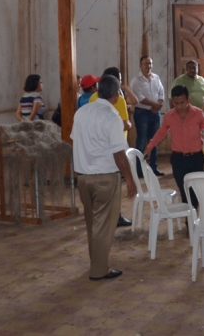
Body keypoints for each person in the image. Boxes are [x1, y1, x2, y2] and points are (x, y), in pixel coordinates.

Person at [71, 74, 136, 281]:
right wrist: (130, 179)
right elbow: (119, 153)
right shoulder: (112, 117)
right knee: (103, 227)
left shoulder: (81, 113)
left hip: (83, 178)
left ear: (98, 91)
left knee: (92, 224)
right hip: (105, 178)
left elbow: (75, 140)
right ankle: (99, 270)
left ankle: (96, 262)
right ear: (117, 95)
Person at [145, 85, 204, 207]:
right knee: (185, 190)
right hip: (178, 159)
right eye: (176, 103)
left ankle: (193, 219)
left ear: (188, 100)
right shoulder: (170, 116)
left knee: (196, 190)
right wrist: (149, 147)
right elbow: (161, 132)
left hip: (196, 158)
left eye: (182, 102)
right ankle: (190, 219)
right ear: (172, 102)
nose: (179, 106)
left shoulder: (198, 113)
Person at [90, 66, 138, 227]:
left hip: (97, 146)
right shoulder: (119, 99)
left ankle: (100, 213)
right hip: (115, 146)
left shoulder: (93, 98)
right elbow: (124, 125)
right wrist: (130, 123)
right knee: (115, 182)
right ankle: (115, 216)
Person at [130, 55, 165, 177]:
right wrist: (154, 105)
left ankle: (153, 168)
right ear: (140, 66)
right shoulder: (136, 80)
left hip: (155, 114)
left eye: (150, 63)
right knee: (141, 141)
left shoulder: (156, 78)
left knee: (154, 141)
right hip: (142, 114)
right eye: (145, 64)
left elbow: (161, 92)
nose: (148, 66)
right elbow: (140, 98)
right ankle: (139, 171)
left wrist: (158, 105)